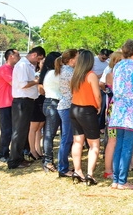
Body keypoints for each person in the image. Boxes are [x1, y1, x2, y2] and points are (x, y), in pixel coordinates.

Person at [108, 39, 133, 190]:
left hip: (118, 109)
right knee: (127, 146)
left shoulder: (118, 66)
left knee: (119, 145)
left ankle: (116, 180)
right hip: (131, 110)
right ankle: (122, 181)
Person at [8, 46, 45, 170]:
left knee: (23, 131)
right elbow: (23, 84)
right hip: (22, 101)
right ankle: (14, 161)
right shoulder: (23, 65)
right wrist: (36, 81)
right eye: (38, 59)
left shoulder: (29, 65)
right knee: (18, 131)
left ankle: (19, 158)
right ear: (34, 55)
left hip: (28, 101)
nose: (38, 62)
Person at [69, 50, 102, 186]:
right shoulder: (91, 75)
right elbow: (97, 95)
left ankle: (77, 171)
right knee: (94, 144)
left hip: (74, 108)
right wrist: (99, 106)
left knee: (77, 141)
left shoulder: (75, 75)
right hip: (87, 110)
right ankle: (89, 174)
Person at [102, 51, 123, 179]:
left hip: (120, 111)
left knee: (118, 140)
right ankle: (108, 170)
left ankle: (116, 167)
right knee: (112, 140)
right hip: (114, 111)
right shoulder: (111, 75)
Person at [0, 49, 20, 163]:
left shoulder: (13, 69)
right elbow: (14, 83)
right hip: (4, 103)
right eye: (17, 55)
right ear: (10, 56)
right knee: (6, 130)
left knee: (12, 129)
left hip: (11, 103)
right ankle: (1, 154)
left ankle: (7, 152)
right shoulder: (4, 69)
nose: (19, 57)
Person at [57, 49, 78, 177]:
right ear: (71, 60)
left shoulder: (65, 70)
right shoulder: (69, 72)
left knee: (67, 138)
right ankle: (63, 168)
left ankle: (63, 166)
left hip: (65, 106)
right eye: (77, 57)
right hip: (67, 107)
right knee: (66, 139)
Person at [41, 51, 62, 172]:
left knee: (49, 134)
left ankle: (48, 160)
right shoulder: (55, 74)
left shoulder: (48, 73)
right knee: (49, 134)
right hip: (54, 104)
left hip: (49, 103)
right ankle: (48, 161)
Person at [28, 55, 47, 162]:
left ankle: (38, 149)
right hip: (36, 101)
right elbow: (41, 90)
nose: (43, 64)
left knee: (39, 127)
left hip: (44, 102)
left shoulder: (47, 74)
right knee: (33, 128)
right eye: (42, 62)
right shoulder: (36, 75)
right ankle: (32, 150)